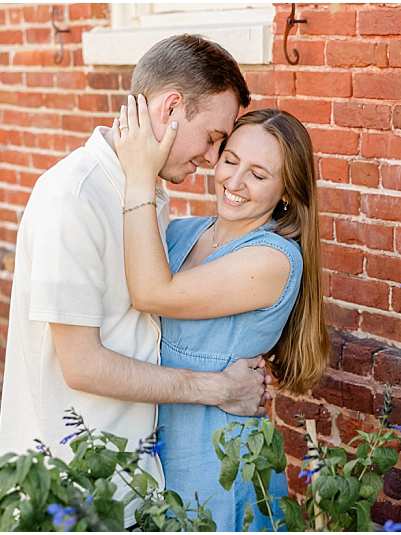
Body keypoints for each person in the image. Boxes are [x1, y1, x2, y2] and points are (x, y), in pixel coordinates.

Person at [0, 34, 271, 528]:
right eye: (212, 138)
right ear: (171, 108)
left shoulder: (146, 192)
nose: (213, 159)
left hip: (131, 481)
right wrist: (218, 389)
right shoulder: (73, 198)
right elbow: (82, 366)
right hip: (70, 490)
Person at [113, 97, 330, 530]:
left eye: (259, 174)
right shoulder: (181, 231)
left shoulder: (274, 258)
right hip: (153, 437)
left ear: (287, 192)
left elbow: (152, 293)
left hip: (218, 455)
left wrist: (140, 178)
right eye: (230, 160)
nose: (235, 180)